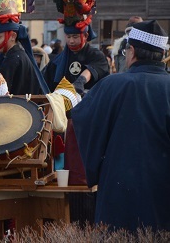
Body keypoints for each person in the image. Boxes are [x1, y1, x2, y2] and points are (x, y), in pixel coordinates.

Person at [72, 20, 170, 232]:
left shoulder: (111, 85)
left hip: (119, 189)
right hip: (163, 192)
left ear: (131, 51)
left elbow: (82, 120)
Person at [42, 0, 109, 225]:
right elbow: (46, 81)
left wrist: (82, 79)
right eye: (68, 36)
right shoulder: (59, 57)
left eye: (75, 37)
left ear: (85, 34)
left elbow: (96, 69)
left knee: (81, 170)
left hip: (86, 119)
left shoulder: (94, 54)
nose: (71, 40)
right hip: (61, 120)